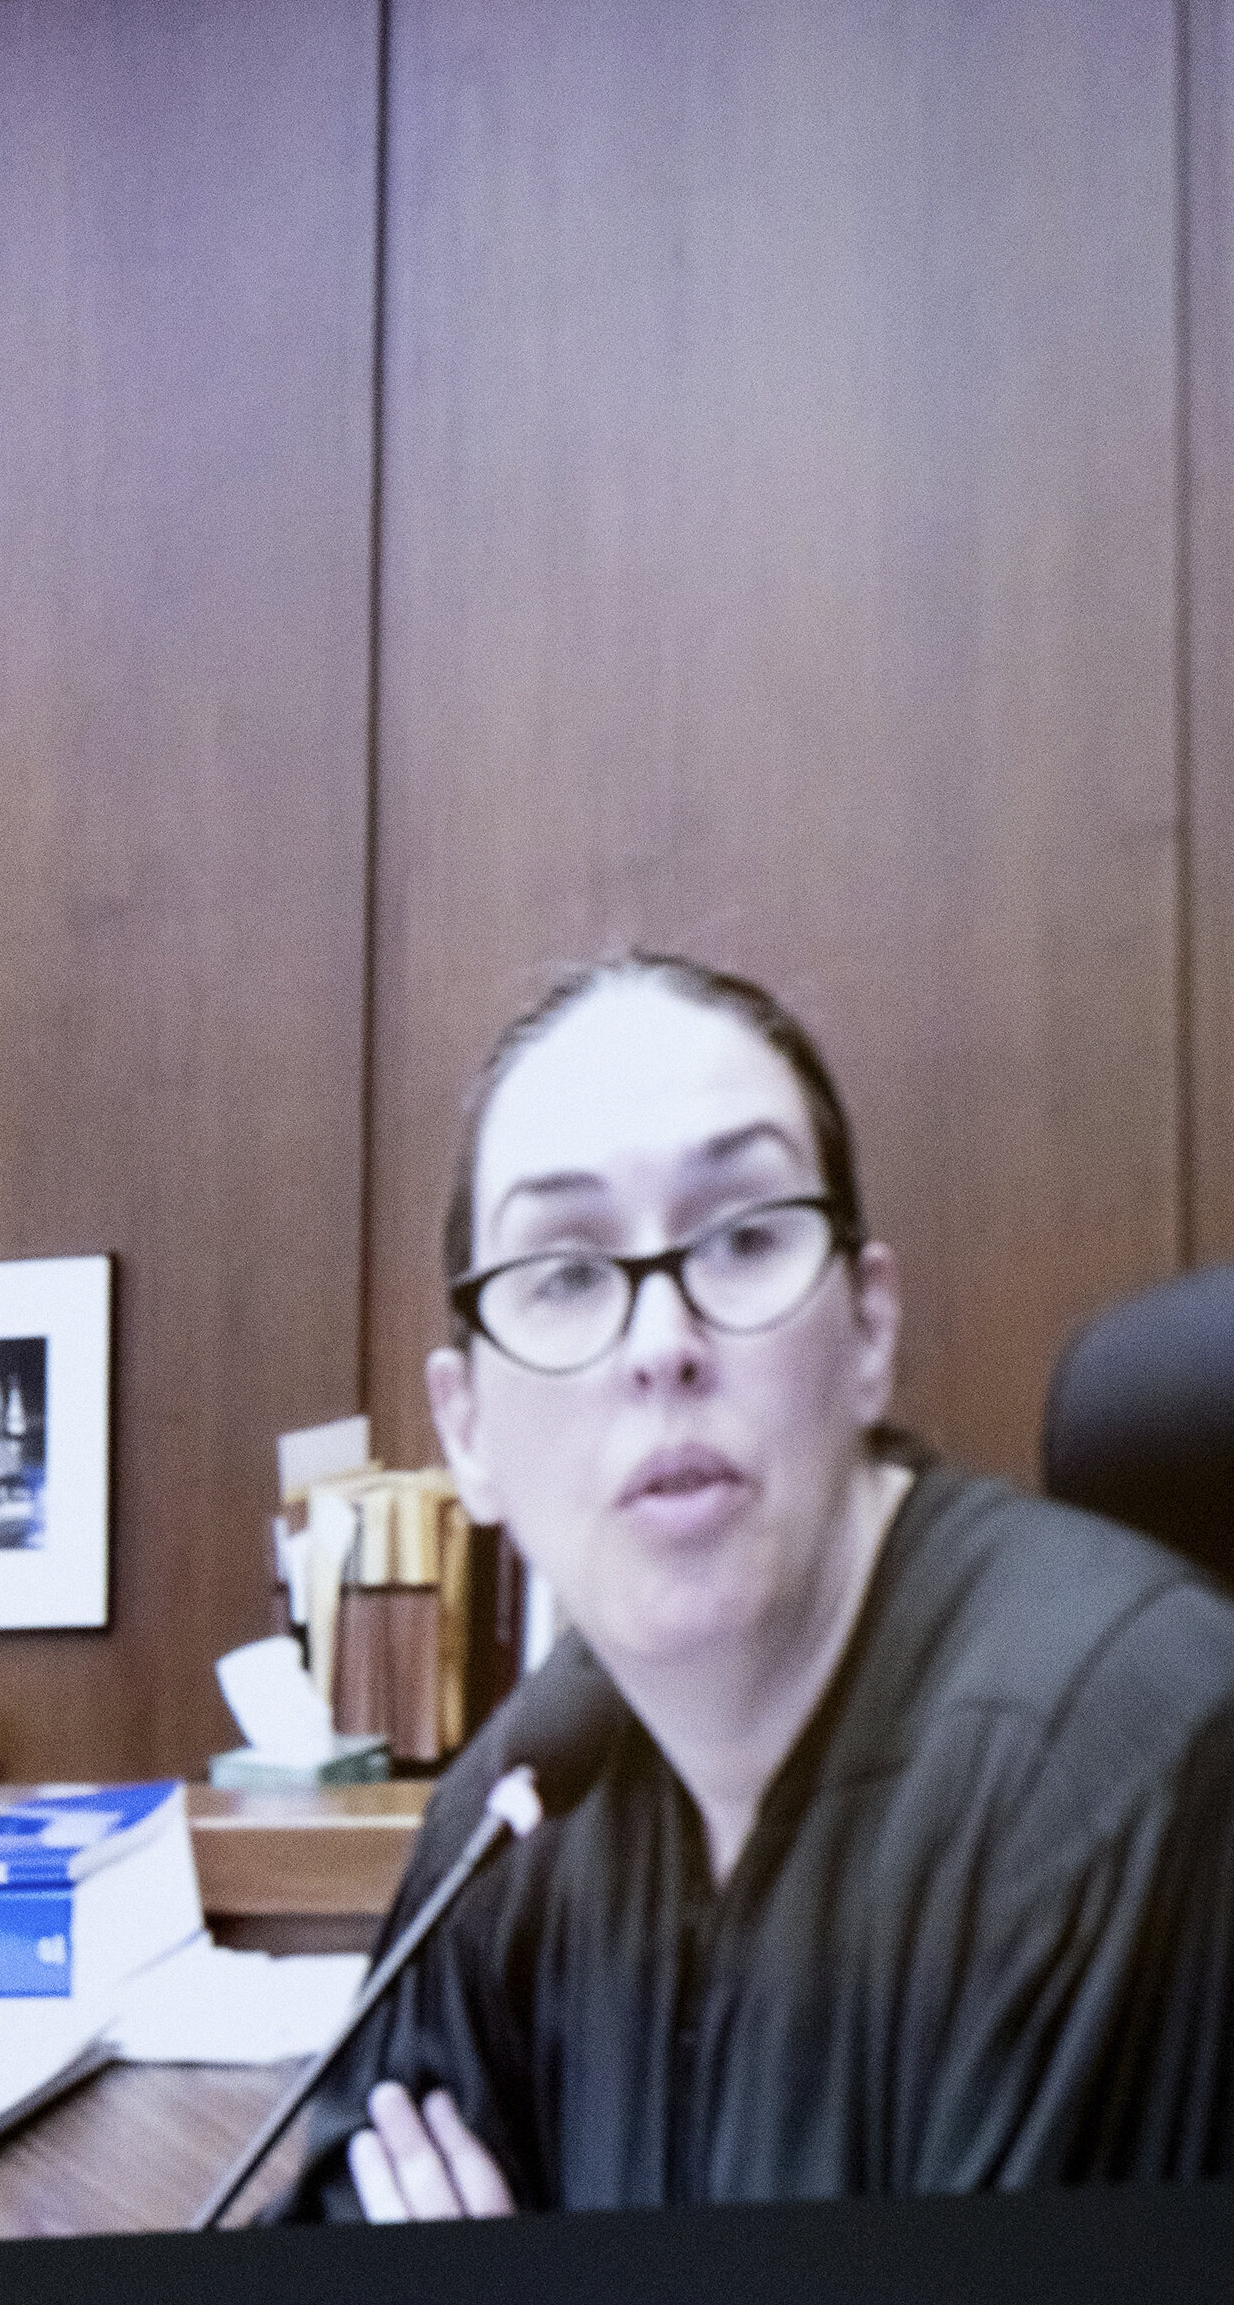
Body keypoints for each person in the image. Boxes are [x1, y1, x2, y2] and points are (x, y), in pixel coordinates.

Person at [287, 952, 1234, 2221]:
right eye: (564, 1271)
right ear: (468, 1433)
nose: (662, 1343)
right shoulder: (515, 1819)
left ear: (868, 1330)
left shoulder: (1129, 1775)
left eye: (739, 1239)